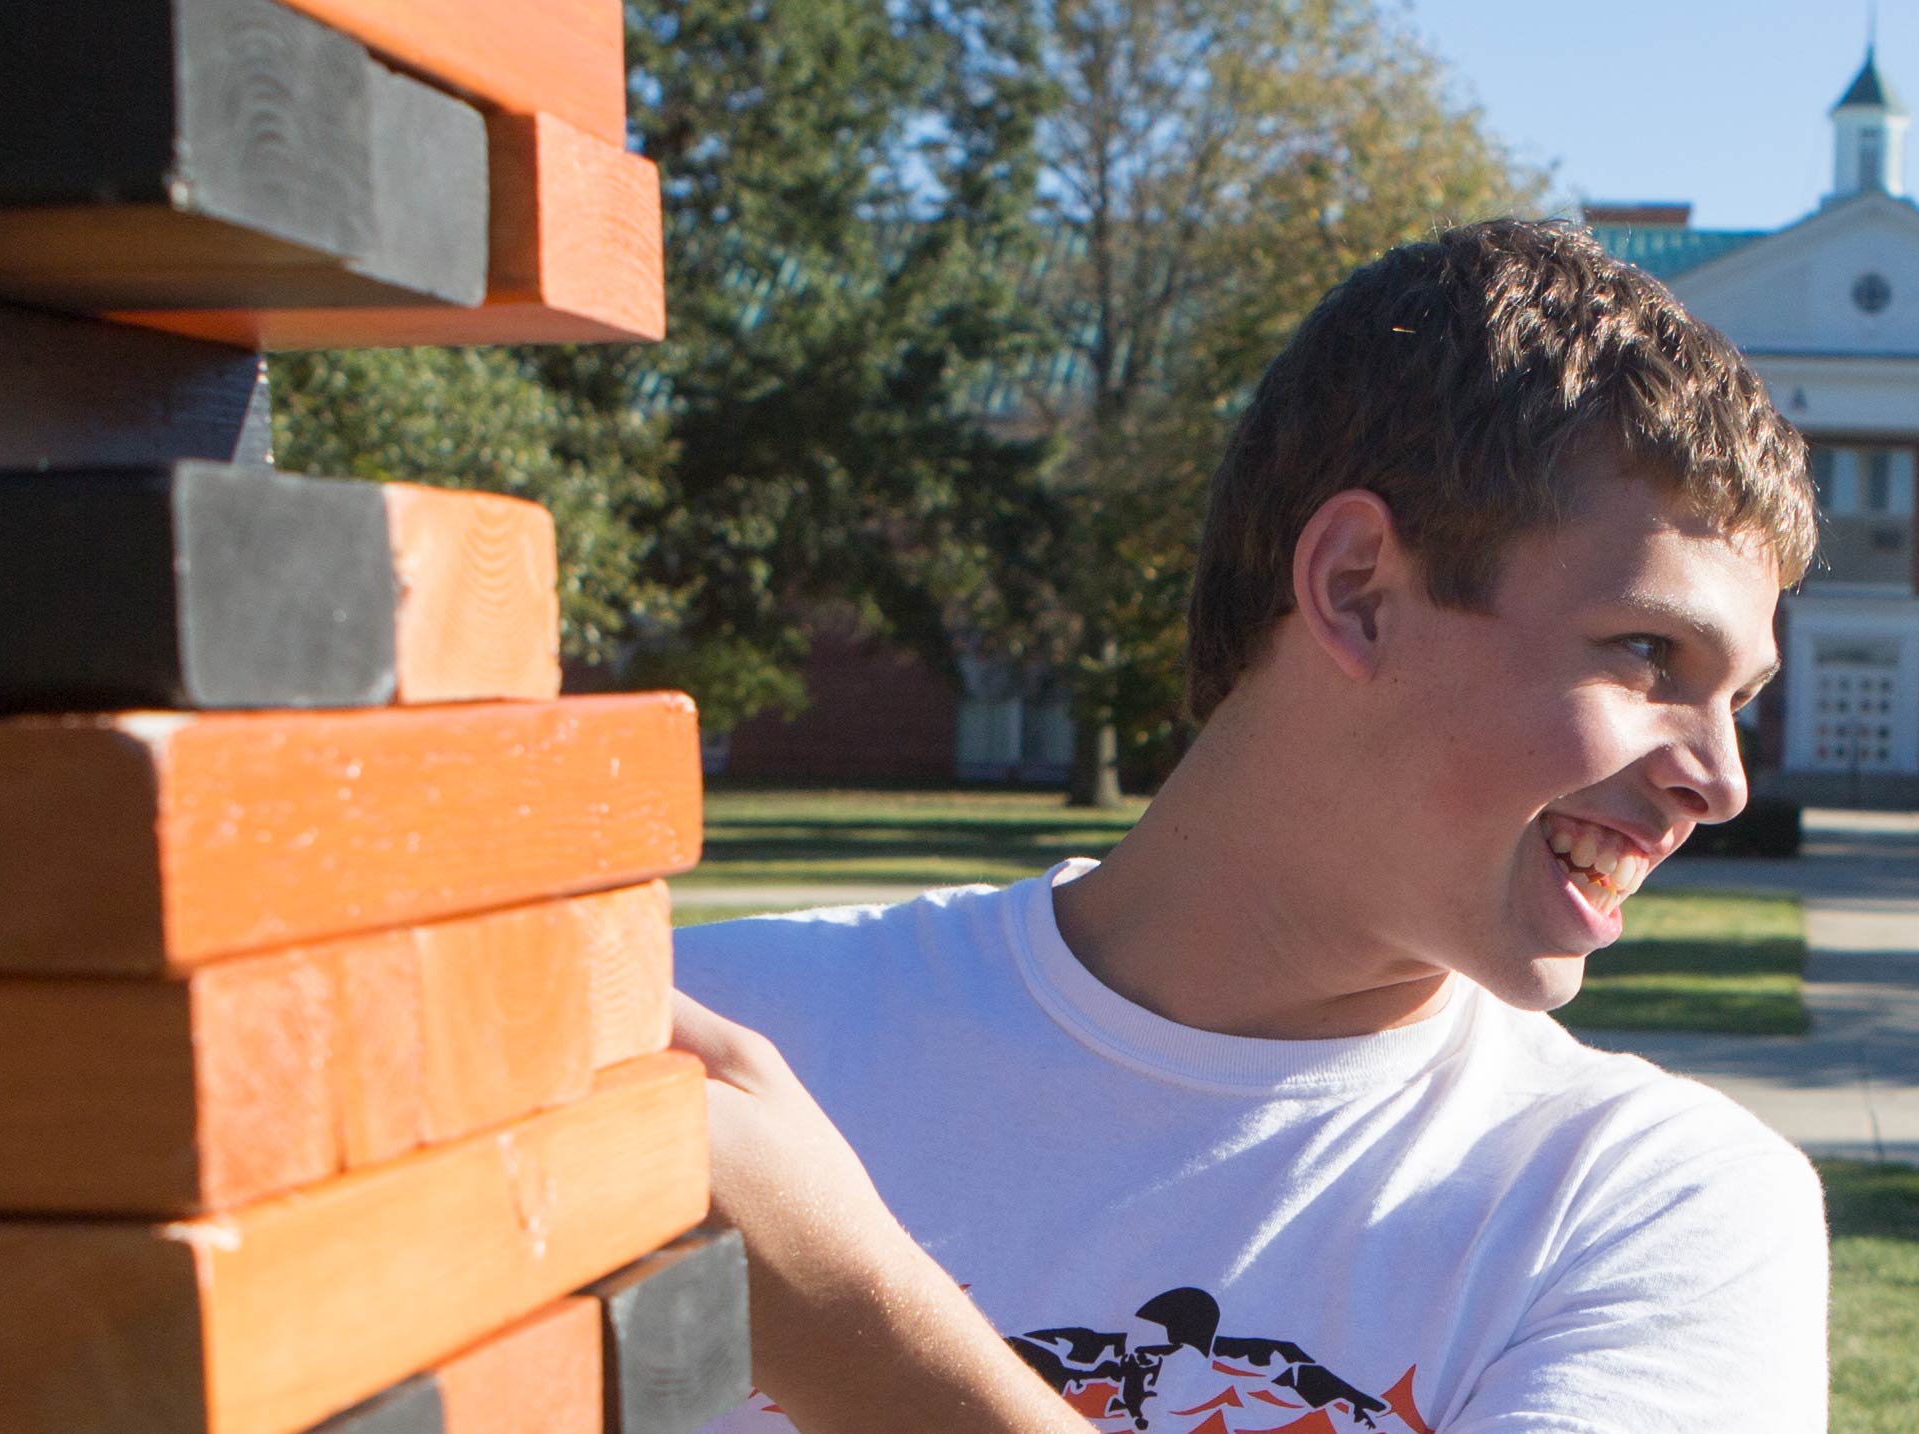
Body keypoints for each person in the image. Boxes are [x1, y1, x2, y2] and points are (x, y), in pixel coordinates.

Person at [671, 218, 1830, 1434]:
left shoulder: (1648, 1209)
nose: (1722, 779)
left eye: (1740, 700)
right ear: (1357, 592)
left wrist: (857, 1337)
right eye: (1650, 653)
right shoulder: (703, 1048)